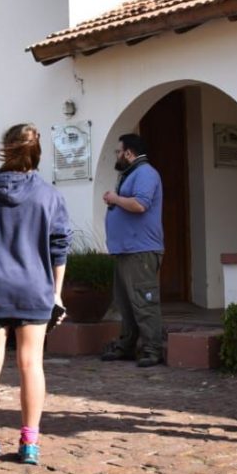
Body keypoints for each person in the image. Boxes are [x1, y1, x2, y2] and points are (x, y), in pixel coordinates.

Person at [0, 124, 70, 466]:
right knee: (31, 364)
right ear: (36, 153)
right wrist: (56, 294)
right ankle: (30, 443)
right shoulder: (50, 195)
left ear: (5, 150)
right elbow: (59, 249)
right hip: (33, 289)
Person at [100, 133, 164, 366]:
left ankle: (152, 349)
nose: (116, 156)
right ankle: (127, 345)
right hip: (126, 250)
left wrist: (115, 198)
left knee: (143, 301)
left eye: (118, 152)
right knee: (126, 302)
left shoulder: (146, 173)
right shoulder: (131, 174)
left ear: (129, 153)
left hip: (141, 250)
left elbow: (139, 204)